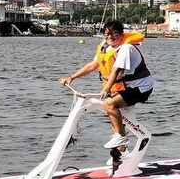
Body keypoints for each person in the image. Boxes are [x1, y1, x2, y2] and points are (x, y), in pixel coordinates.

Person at [59, 20, 155, 150]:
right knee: (115, 119)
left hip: (141, 87)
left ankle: (121, 137)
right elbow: (92, 65)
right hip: (125, 86)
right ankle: (121, 154)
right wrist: (72, 77)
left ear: (121, 34)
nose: (110, 37)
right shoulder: (106, 47)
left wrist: (106, 88)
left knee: (110, 104)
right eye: (107, 34)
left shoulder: (126, 48)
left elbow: (116, 71)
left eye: (114, 33)